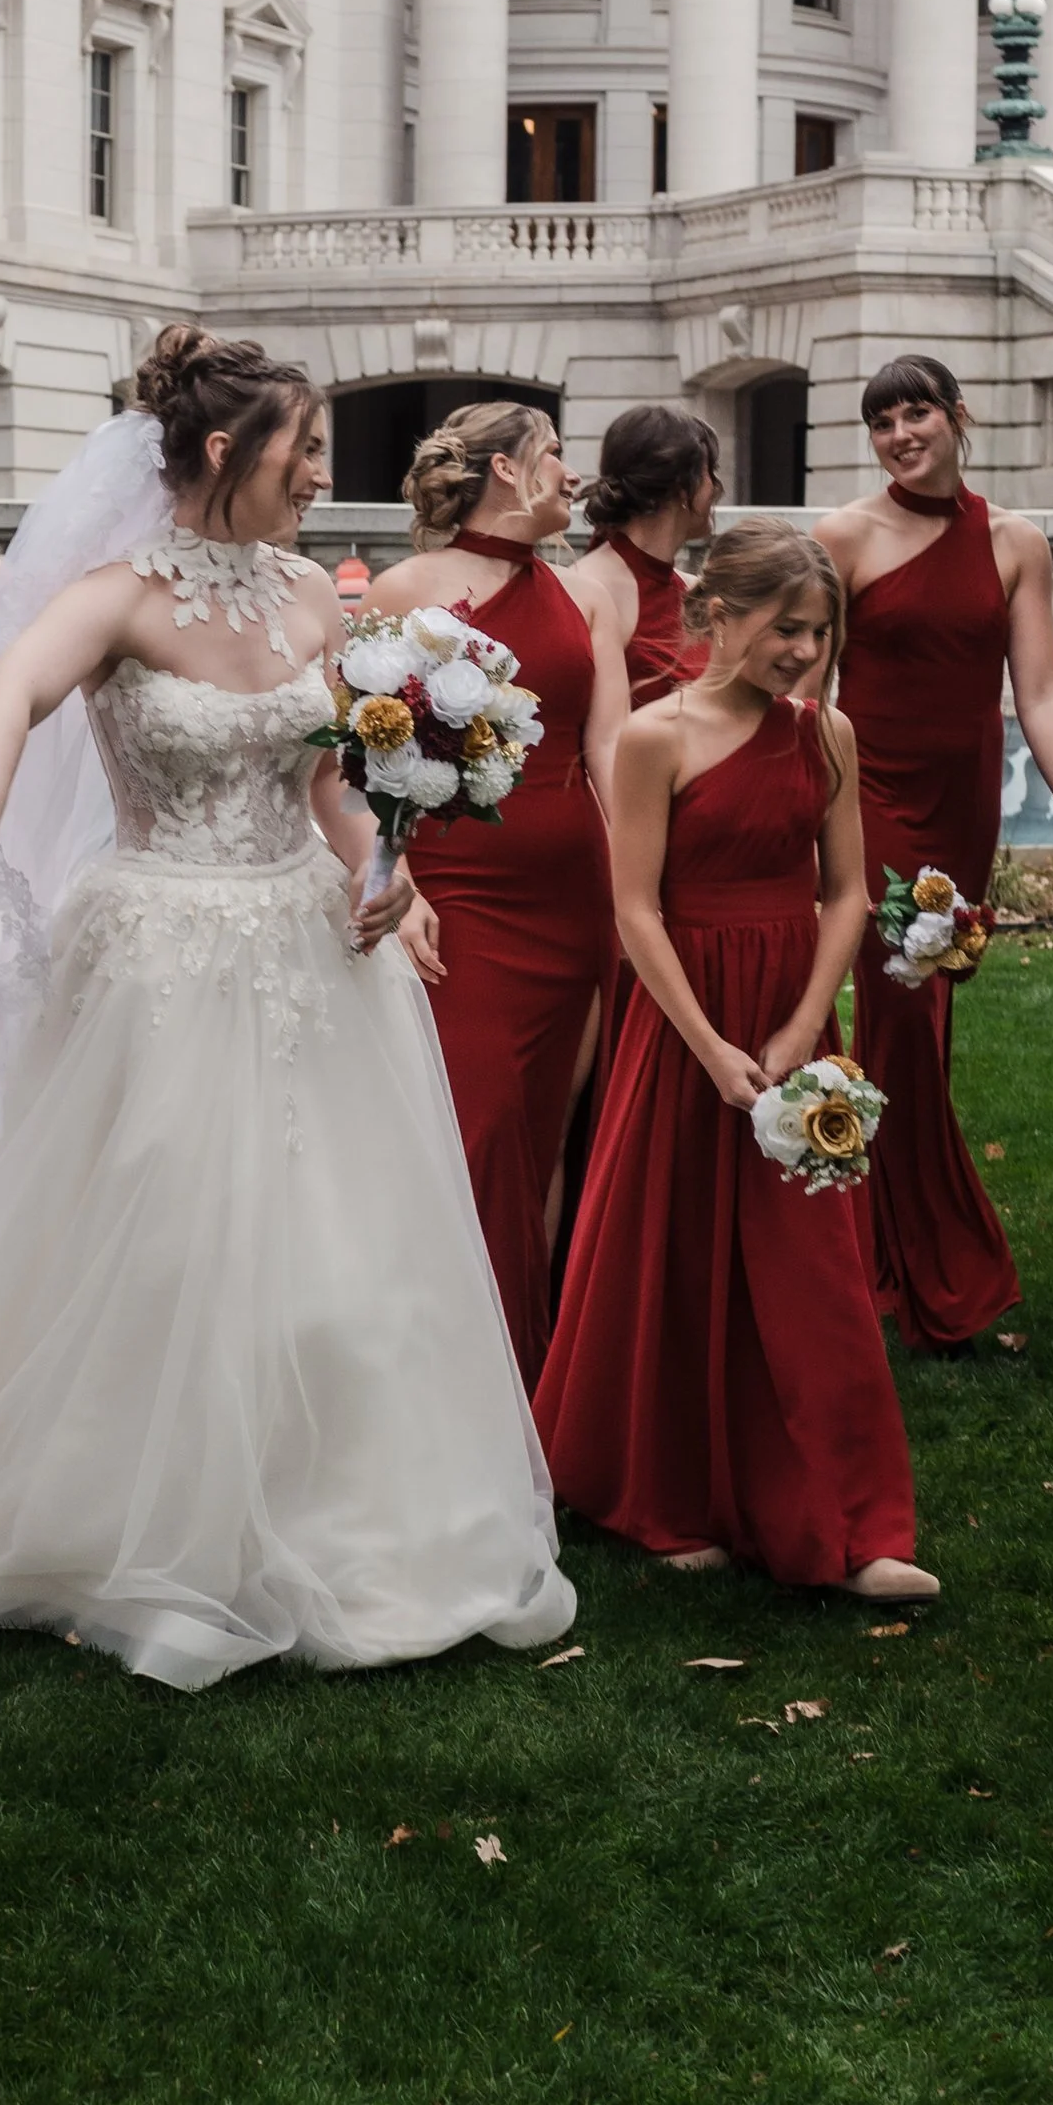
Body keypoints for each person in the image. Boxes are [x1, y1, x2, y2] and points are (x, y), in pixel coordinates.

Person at [0, 326, 576, 1689]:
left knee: (342, 1251)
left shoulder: (314, 604)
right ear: (226, 452)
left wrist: (389, 868)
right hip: (158, 956)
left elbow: (333, 783)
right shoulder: (116, 597)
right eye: (304, 448)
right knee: (162, 1235)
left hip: (313, 954)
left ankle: (348, 1516)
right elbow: (12, 692)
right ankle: (132, 1522)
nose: (324, 473)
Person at [534, 522, 935, 1602]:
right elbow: (631, 907)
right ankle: (660, 1494)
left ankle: (855, 1522)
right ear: (716, 615)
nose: (803, 650)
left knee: (815, 1268)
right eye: (783, 628)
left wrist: (808, 1023)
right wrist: (707, 1045)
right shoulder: (655, 739)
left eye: (818, 631)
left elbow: (846, 891)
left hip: (792, 1022)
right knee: (675, 1251)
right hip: (683, 1025)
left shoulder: (827, 736)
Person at [815, 357, 1053, 1352]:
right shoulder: (842, 537)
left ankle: (873, 1244)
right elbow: (807, 692)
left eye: (915, 414)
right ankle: (934, 1266)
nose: (900, 434)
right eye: (881, 422)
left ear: (957, 417)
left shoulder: (1013, 541)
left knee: (929, 1025)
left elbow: (1036, 689)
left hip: (961, 815)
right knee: (903, 1023)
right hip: (872, 805)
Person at [361, 400, 626, 1386]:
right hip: (461, 896)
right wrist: (405, 877)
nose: (569, 472)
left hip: (574, 894)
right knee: (475, 1132)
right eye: (554, 455)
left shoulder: (582, 596)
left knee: (549, 1138)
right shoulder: (406, 588)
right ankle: (446, 1374)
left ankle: (529, 1372)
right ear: (507, 470)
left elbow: (607, 749)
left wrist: (636, 885)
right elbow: (368, 753)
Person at [565, 406, 723, 709]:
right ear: (681, 487)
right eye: (709, 473)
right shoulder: (591, 586)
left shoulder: (696, 591)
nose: (716, 488)